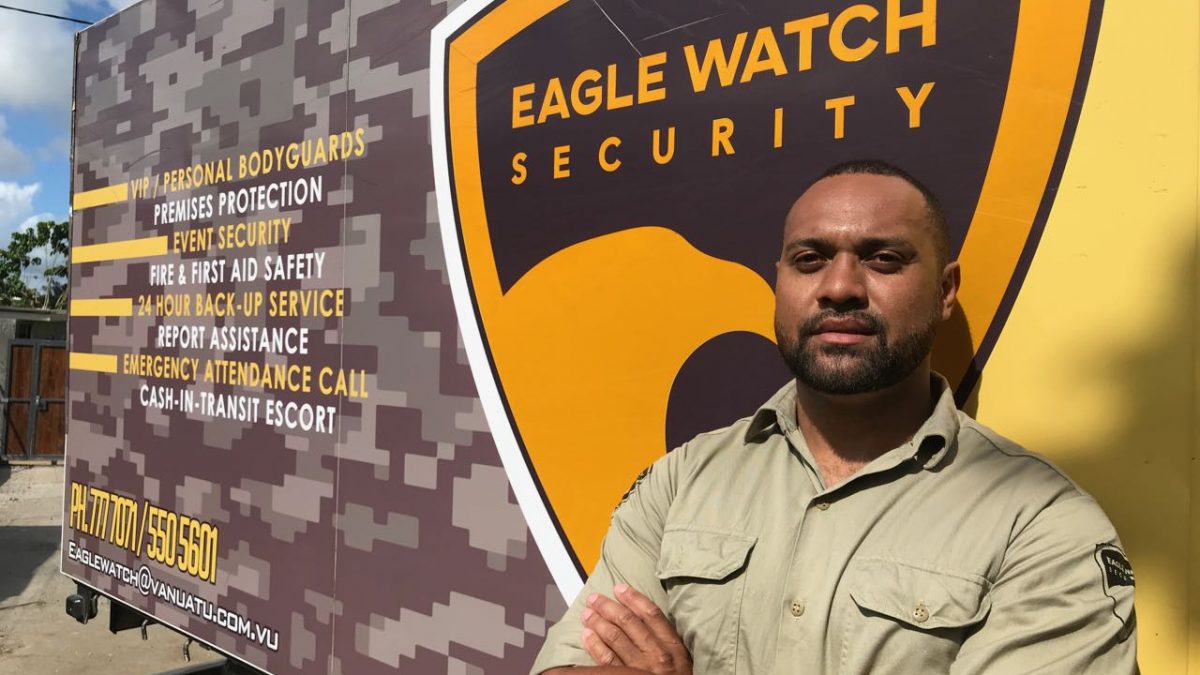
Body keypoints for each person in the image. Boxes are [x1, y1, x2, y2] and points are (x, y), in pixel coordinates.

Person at [530, 160, 1138, 674]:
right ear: (780, 283)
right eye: (810, 259)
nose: (840, 287)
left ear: (946, 290)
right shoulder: (682, 480)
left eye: (883, 259)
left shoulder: (1042, 529)